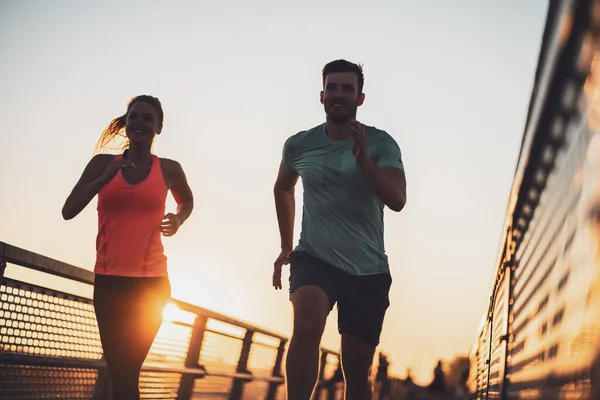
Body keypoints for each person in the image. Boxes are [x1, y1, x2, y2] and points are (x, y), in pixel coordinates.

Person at [272, 59, 407, 399]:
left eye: (347, 88)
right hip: (314, 257)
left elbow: (397, 199)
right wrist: (286, 246)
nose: (338, 94)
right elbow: (282, 188)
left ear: (360, 98)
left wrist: (364, 162)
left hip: (367, 269)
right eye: (332, 87)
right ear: (322, 95)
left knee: (358, 370)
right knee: (305, 326)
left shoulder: (381, 143)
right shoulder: (298, 145)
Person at [61, 95, 194, 400]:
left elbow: (186, 200)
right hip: (109, 283)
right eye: (134, 116)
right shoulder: (102, 164)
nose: (140, 123)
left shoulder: (169, 170)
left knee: (127, 371)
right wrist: (104, 179)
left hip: (152, 286)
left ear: (159, 127)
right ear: (126, 122)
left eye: (148, 118)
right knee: (123, 373)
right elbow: (68, 210)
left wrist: (178, 219)